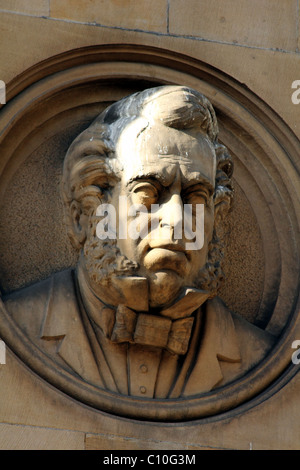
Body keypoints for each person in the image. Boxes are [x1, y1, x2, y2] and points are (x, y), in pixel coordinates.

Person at [4, 86, 275, 399]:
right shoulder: (22, 323)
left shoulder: (255, 355)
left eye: (196, 197)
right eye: (148, 193)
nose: (176, 220)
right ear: (87, 215)